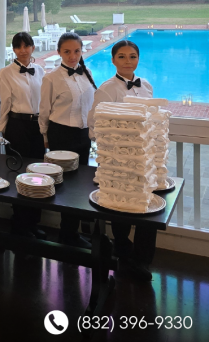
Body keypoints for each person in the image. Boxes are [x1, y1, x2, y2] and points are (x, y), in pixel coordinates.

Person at [88, 40, 156, 281]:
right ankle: (122, 250)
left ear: (138, 59)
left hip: (143, 159)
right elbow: (93, 123)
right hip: (116, 159)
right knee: (119, 206)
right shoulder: (107, 89)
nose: (128, 61)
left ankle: (142, 259)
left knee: (148, 207)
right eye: (122, 56)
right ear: (113, 60)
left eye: (132, 56)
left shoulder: (146, 86)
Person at [40, 32, 97, 249]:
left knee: (80, 184)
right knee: (66, 185)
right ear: (59, 52)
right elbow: (44, 112)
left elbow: (91, 106)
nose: (72, 56)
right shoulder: (51, 78)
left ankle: (72, 232)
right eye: (67, 52)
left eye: (76, 51)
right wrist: (45, 138)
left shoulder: (87, 73)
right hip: (61, 135)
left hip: (83, 135)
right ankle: (67, 234)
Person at [0, 32, 46, 239]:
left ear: (33, 48)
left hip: (37, 127)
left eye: (27, 46)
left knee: (38, 175)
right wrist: (0, 129)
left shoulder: (40, 70)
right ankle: (19, 224)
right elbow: (5, 104)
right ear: (14, 50)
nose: (23, 50)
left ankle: (33, 222)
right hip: (17, 126)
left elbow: (44, 103)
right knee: (19, 174)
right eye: (18, 46)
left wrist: (45, 129)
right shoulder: (5, 73)